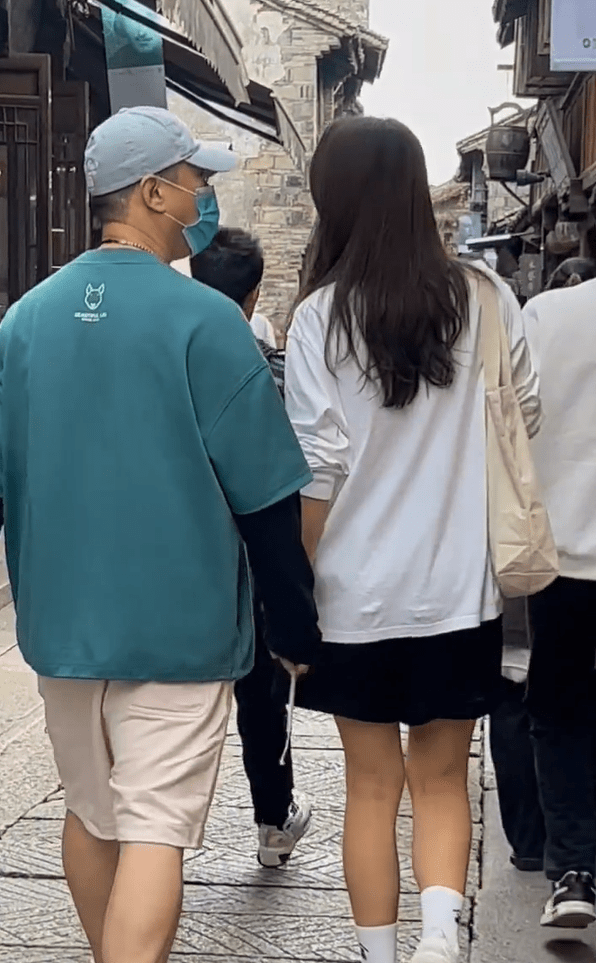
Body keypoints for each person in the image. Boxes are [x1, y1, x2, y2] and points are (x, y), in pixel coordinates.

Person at [0, 105, 321, 963]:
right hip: (180, 627)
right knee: (153, 829)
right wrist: (294, 627)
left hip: (62, 625)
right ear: (150, 192)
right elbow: (265, 501)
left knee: (90, 812)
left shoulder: (23, 322)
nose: (203, 196)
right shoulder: (207, 322)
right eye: (194, 180)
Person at [284, 116, 541, 963]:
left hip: (351, 598)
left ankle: (382, 956)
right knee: (441, 781)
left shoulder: (321, 316)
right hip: (458, 590)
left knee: (370, 788)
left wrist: (294, 591)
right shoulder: (485, 297)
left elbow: (317, 471)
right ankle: (438, 939)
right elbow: (524, 415)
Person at [190, 226, 311, 867]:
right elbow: (285, 487)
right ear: (255, 293)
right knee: (261, 697)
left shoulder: (171, 363)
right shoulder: (272, 371)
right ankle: (272, 818)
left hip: (186, 560)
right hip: (253, 560)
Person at [521, 260, 596, 929]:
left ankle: (574, 870)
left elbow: (513, 415)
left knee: (561, 710)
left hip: (564, 548)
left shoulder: (549, 313)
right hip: (559, 550)